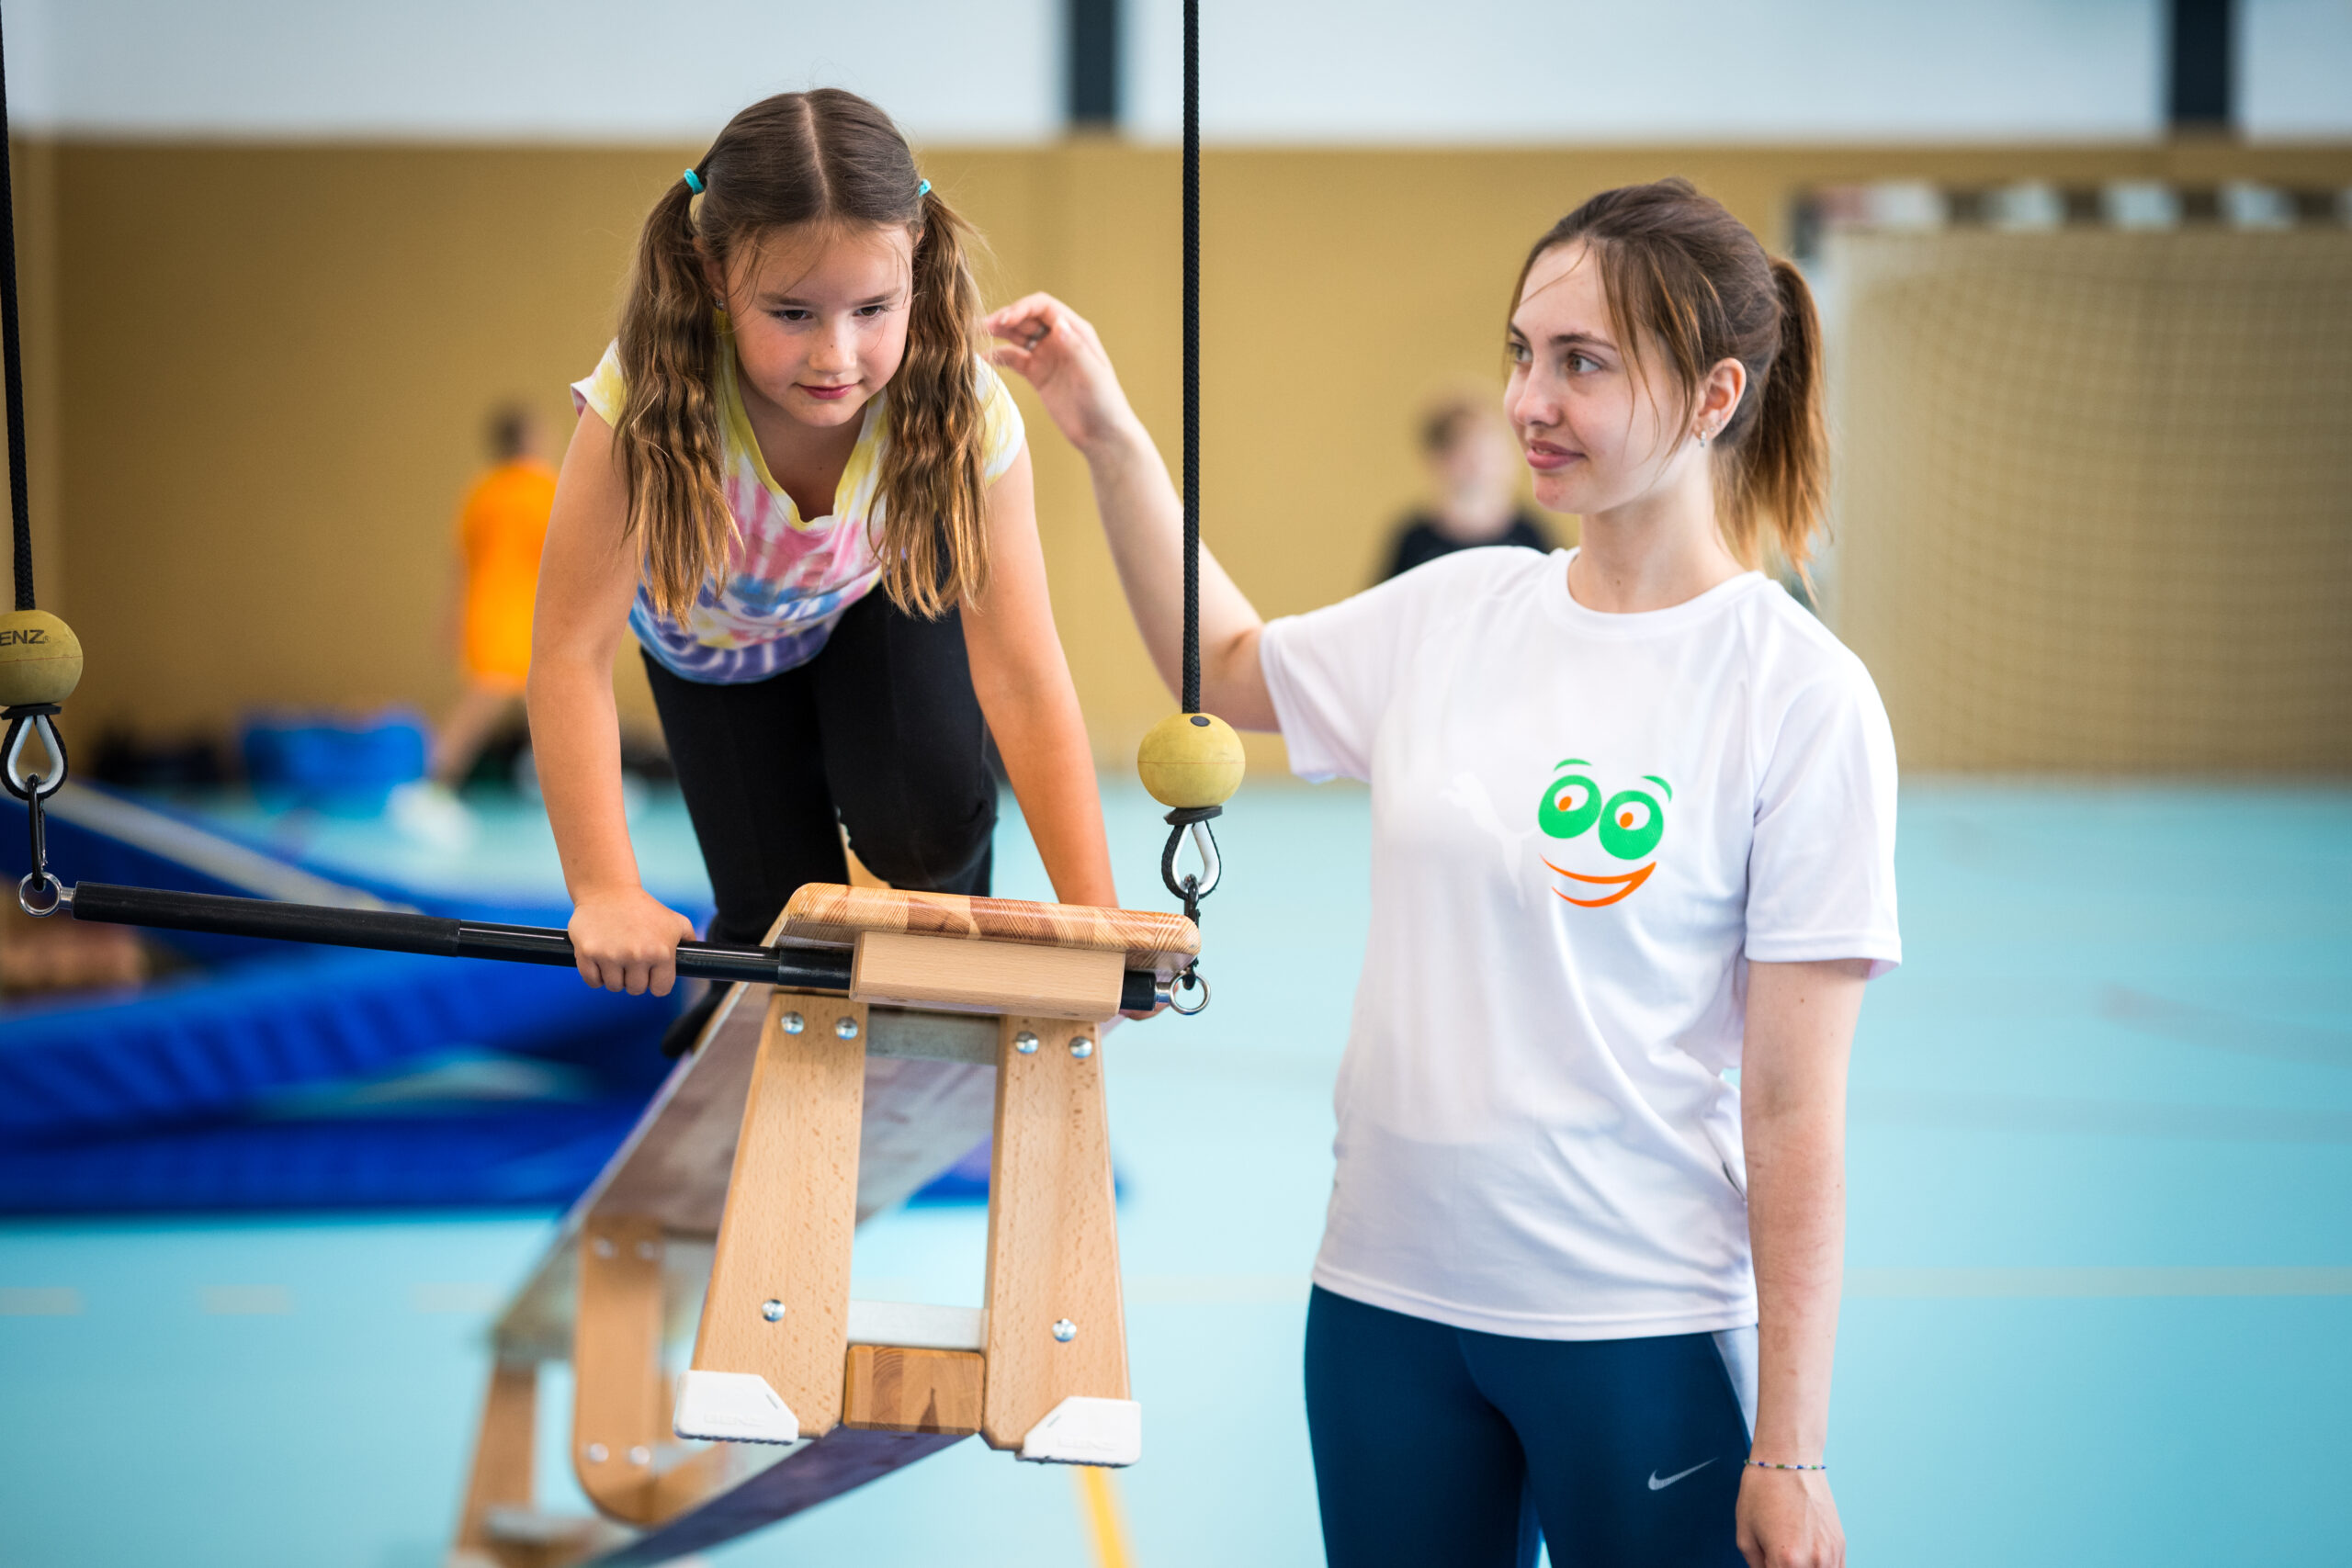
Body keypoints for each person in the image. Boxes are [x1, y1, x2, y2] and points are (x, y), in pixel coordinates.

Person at [990, 177, 1894, 1568]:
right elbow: (1224, 671)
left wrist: (1790, 1444)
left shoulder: (1799, 694)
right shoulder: (1459, 609)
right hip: (1382, 1305)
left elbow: (1791, 1107)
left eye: (1582, 363)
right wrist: (1107, 432)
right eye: (1523, 351)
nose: (1532, 397)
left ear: (1716, 396)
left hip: (1630, 1321)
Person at [528, 89, 1115, 1015]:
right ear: (714, 273)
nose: (836, 355)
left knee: (927, 829)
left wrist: (1096, 917)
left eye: (873, 308)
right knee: (777, 939)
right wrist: (604, 888)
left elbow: (1022, 671)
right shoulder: (647, 396)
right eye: (793, 314)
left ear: (916, 264)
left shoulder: (961, 403)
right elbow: (569, 654)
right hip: (711, 652)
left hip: (867, 607)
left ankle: (948, 941)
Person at [431, 404, 557, 789]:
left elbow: (462, 560)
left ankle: (553, 783)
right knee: (485, 704)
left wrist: (451, 617)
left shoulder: (481, 493)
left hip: (484, 611)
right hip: (518, 616)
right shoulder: (541, 489)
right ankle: (431, 779)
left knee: (548, 703)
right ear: (530, 440)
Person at [1380, 390, 1553, 581]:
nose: (1479, 465)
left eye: (1487, 452)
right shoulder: (1415, 541)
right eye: (1465, 452)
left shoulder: (1528, 534)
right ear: (1439, 459)